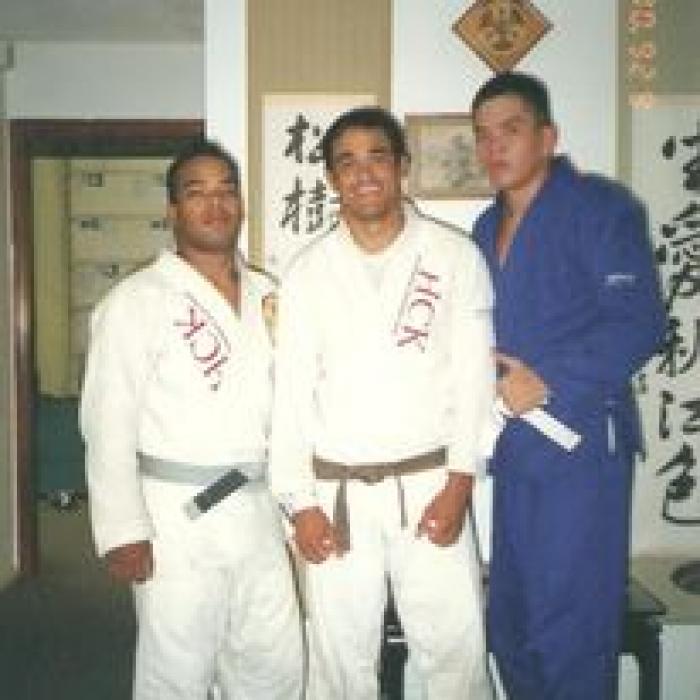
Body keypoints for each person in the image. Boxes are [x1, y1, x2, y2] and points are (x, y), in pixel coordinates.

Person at [269, 106, 496, 699]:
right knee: (340, 660)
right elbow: (290, 396)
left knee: (454, 651)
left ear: (402, 166)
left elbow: (475, 380)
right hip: (335, 493)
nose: (363, 172)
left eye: (377, 157)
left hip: (431, 483)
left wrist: (460, 484)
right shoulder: (308, 273)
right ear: (331, 178)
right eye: (347, 162)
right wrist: (298, 504)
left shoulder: (453, 256)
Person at [80, 140, 304, 699]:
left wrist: (300, 502)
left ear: (241, 204)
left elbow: (295, 405)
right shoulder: (135, 301)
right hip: (176, 517)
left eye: (227, 190)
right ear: (173, 210)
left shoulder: (269, 295)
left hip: (257, 509)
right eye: (197, 192)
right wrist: (122, 530)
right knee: (176, 671)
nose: (215, 204)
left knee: (271, 663)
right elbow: (107, 423)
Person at [470, 72, 666, 699]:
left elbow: (639, 322)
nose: (495, 146)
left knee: (571, 630)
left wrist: (550, 380)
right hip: (514, 446)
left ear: (547, 137)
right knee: (513, 625)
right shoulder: (482, 227)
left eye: (511, 130)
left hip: (580, 445)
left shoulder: (601, 208)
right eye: (483, 135)